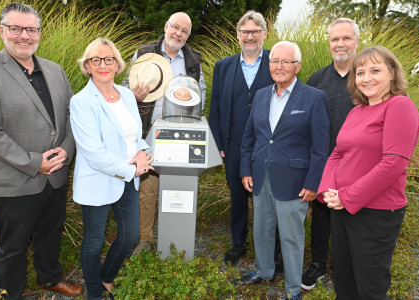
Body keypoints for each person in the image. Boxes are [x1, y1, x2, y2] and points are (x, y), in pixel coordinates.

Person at [0, 3, 82, 299]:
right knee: (12, 246)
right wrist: (32, 162)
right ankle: (10, 294)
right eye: (16, 28)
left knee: (50, 234)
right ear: (3, 31)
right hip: (13, 179)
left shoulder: (55, 70)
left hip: (54, 175)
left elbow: (70, 117)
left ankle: (49, 278)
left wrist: (66, 151)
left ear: (39, 32)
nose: (24, 36)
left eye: (31, 29)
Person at [318, 46, 419, 299]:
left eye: (375, 70)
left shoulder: (400, 106)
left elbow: (393, 163)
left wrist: (347, 196)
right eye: (360, 72)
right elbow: (337, 153)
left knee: (370, 287)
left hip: (376, 213)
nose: (366, 78)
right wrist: (328, 190)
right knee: (344, 279)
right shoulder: (357, 111)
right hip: (343, 208)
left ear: (393, 73)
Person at [237, 41, 330, 300]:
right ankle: (264, 271)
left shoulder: (314, 97)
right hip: (260, 175)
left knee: (291, 237)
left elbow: (320, 148)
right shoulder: (261, 95)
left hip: (294, 181)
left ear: (297, 66)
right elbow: (250, 138)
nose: (279, 66)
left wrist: (313, 183)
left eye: (285, 62)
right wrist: (246, 169)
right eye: (274, 61)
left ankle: (292, 289)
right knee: (262, 229)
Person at [70, 37, 153, 299]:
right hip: (99, 179)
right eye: (96, 60)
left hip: (128, 176)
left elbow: (134, 134)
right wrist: (133, 169)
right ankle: (94, 292)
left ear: (117, 64)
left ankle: (106, 277)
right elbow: (94, 153)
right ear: (88, 65)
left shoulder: (127, 94)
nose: (103, 65)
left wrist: (142, 151)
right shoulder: (81, 101)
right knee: (93, 242)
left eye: (108, 59)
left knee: (130, 236)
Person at [128, 12, 206, 254]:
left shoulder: (194, 59)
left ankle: (175, 237)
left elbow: (200, 91)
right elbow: (125, 86)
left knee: (178, 187)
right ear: (166, 26)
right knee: (147, 189)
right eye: (175, 27)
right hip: (148, 131)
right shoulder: (144, 52)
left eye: (184, 30)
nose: (178, 33)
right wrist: (134, 96)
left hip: (179, 136)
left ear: (188, 35)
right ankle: (145, 239)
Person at [208, 10, 275, 265]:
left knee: (267, 196)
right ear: (238, 35)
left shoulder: (275, 62)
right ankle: (239, 242)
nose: (250, 37)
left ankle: (269, 246)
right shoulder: (223, 66)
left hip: (267, 144)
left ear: (264, 35)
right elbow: (215, 108)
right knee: (237, 195)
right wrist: (219, 143)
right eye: (245, 32)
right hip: (234, 143)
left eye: (255, 32)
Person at [302, 17, 360, 290]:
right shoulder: (317, 79)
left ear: (357, 42)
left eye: (346, 38)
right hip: (325, 162)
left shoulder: (366, 76)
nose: (340, 44)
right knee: (323, 216)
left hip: (358, 164)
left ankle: (346, 268)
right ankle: (318, 264)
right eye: (335, 39)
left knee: (353, 217)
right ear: (329, 44)